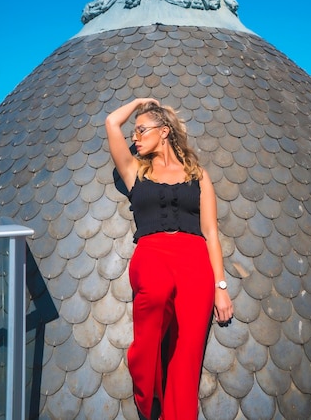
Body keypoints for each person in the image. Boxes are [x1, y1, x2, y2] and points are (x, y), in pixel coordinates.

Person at [105, 98, 234, 420]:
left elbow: (211, 233)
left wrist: (220, 286)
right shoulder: (135, 171)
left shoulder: (198, 175)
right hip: (152, 255)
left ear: (164, 132)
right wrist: (138, 103)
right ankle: (148, 401)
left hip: (195, 263)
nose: (135, 137)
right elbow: (111, 123)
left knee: (186, 358)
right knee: (156, 296)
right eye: (134, 131)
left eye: (142, 130)